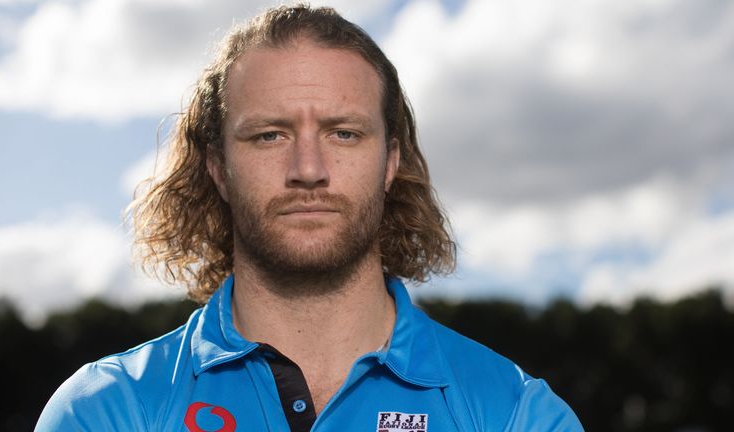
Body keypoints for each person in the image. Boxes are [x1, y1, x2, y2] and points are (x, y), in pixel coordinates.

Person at [36, 5, 583, 431]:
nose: (309, 169)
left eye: (344, 133)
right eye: (269, 135)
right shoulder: (108, 411)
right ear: (219, 168)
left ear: (391, 161)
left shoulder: (513, 415)